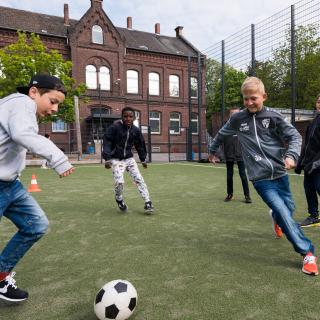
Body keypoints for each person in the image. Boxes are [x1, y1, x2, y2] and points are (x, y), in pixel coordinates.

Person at [208, 76, 318, 276]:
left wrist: (292, 156)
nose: (249, 102)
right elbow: (222, 134)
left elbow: (295, 136)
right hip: (260, 179)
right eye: (246, 99)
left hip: (280, 174)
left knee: (288, 210)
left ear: (264, 97)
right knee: (284, 213)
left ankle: (276, 218)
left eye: (254, 98)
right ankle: (308, 253)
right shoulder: (237, 119)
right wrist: (212, 150)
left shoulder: (274, 117)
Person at [0, 74, 75, 302]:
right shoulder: (21, 103)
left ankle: (1, 275)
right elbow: (23, 135)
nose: (54, 109)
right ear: (34, 92)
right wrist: (58, 158)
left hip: (10, 185)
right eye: (53, 101)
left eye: (58, 104)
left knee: (36, 225)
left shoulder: (21, 108)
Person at [102, 107, 154, 214]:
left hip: (129, 159)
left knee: (139, 179)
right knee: (119, 183)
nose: (128, 118)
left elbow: (140, 145)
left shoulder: (136, 130)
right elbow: (107, 142)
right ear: (122, 117)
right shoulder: (114, 128)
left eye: (130, 116)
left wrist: (143, 159)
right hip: (117, 160)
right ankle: (119, 199)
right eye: (125, 116)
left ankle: (148, 202)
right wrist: (107, 159)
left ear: (134, 118)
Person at [295, 94, 320, 227]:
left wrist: (315, 164)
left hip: (317, 165)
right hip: (309, 165)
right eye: (318, 101)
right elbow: (306, 145)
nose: (319, 103)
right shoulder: (313, 122)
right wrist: (300, 164)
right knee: (309, 189)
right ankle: (314, 216)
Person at [222, 107, 251, 203]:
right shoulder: (225, 126)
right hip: (229, 154)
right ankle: (230, 194)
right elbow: (219, 139)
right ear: (229, 115)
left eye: (236, 113)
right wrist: (220, 153)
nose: (234, 115)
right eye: (232, 113)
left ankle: (247, 195)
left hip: (241, 154)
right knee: (229, 175)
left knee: (243, 175)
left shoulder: (243, 125)